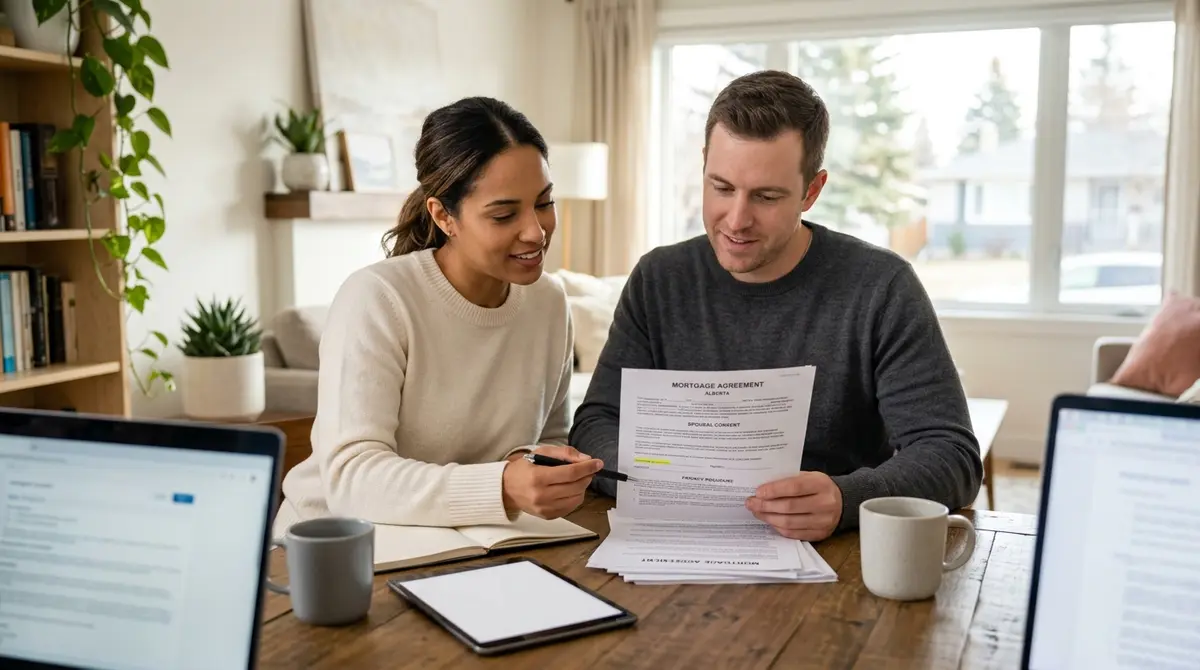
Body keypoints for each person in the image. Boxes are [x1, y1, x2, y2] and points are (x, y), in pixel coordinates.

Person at [570, 70, 982, 542]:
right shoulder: (658, 280)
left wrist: (846, 498)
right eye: (721, 187)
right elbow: (596, 423)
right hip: (675, 542)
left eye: (766, 197)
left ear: (812, 190)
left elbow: (951, 455)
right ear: (704, 164)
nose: (737, 220)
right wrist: (660, 481)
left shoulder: (880, 287)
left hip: (833, 558)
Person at [274, 97, 603, 536]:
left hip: (470, 544)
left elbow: (551, 440)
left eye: (544, 203)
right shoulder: (377, 299)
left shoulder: (548, 303)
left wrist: (537, 468)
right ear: (443, 215)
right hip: (335, 549)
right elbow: (350, 480)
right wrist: (501, 485)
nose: (536, 231)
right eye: (504, 214)